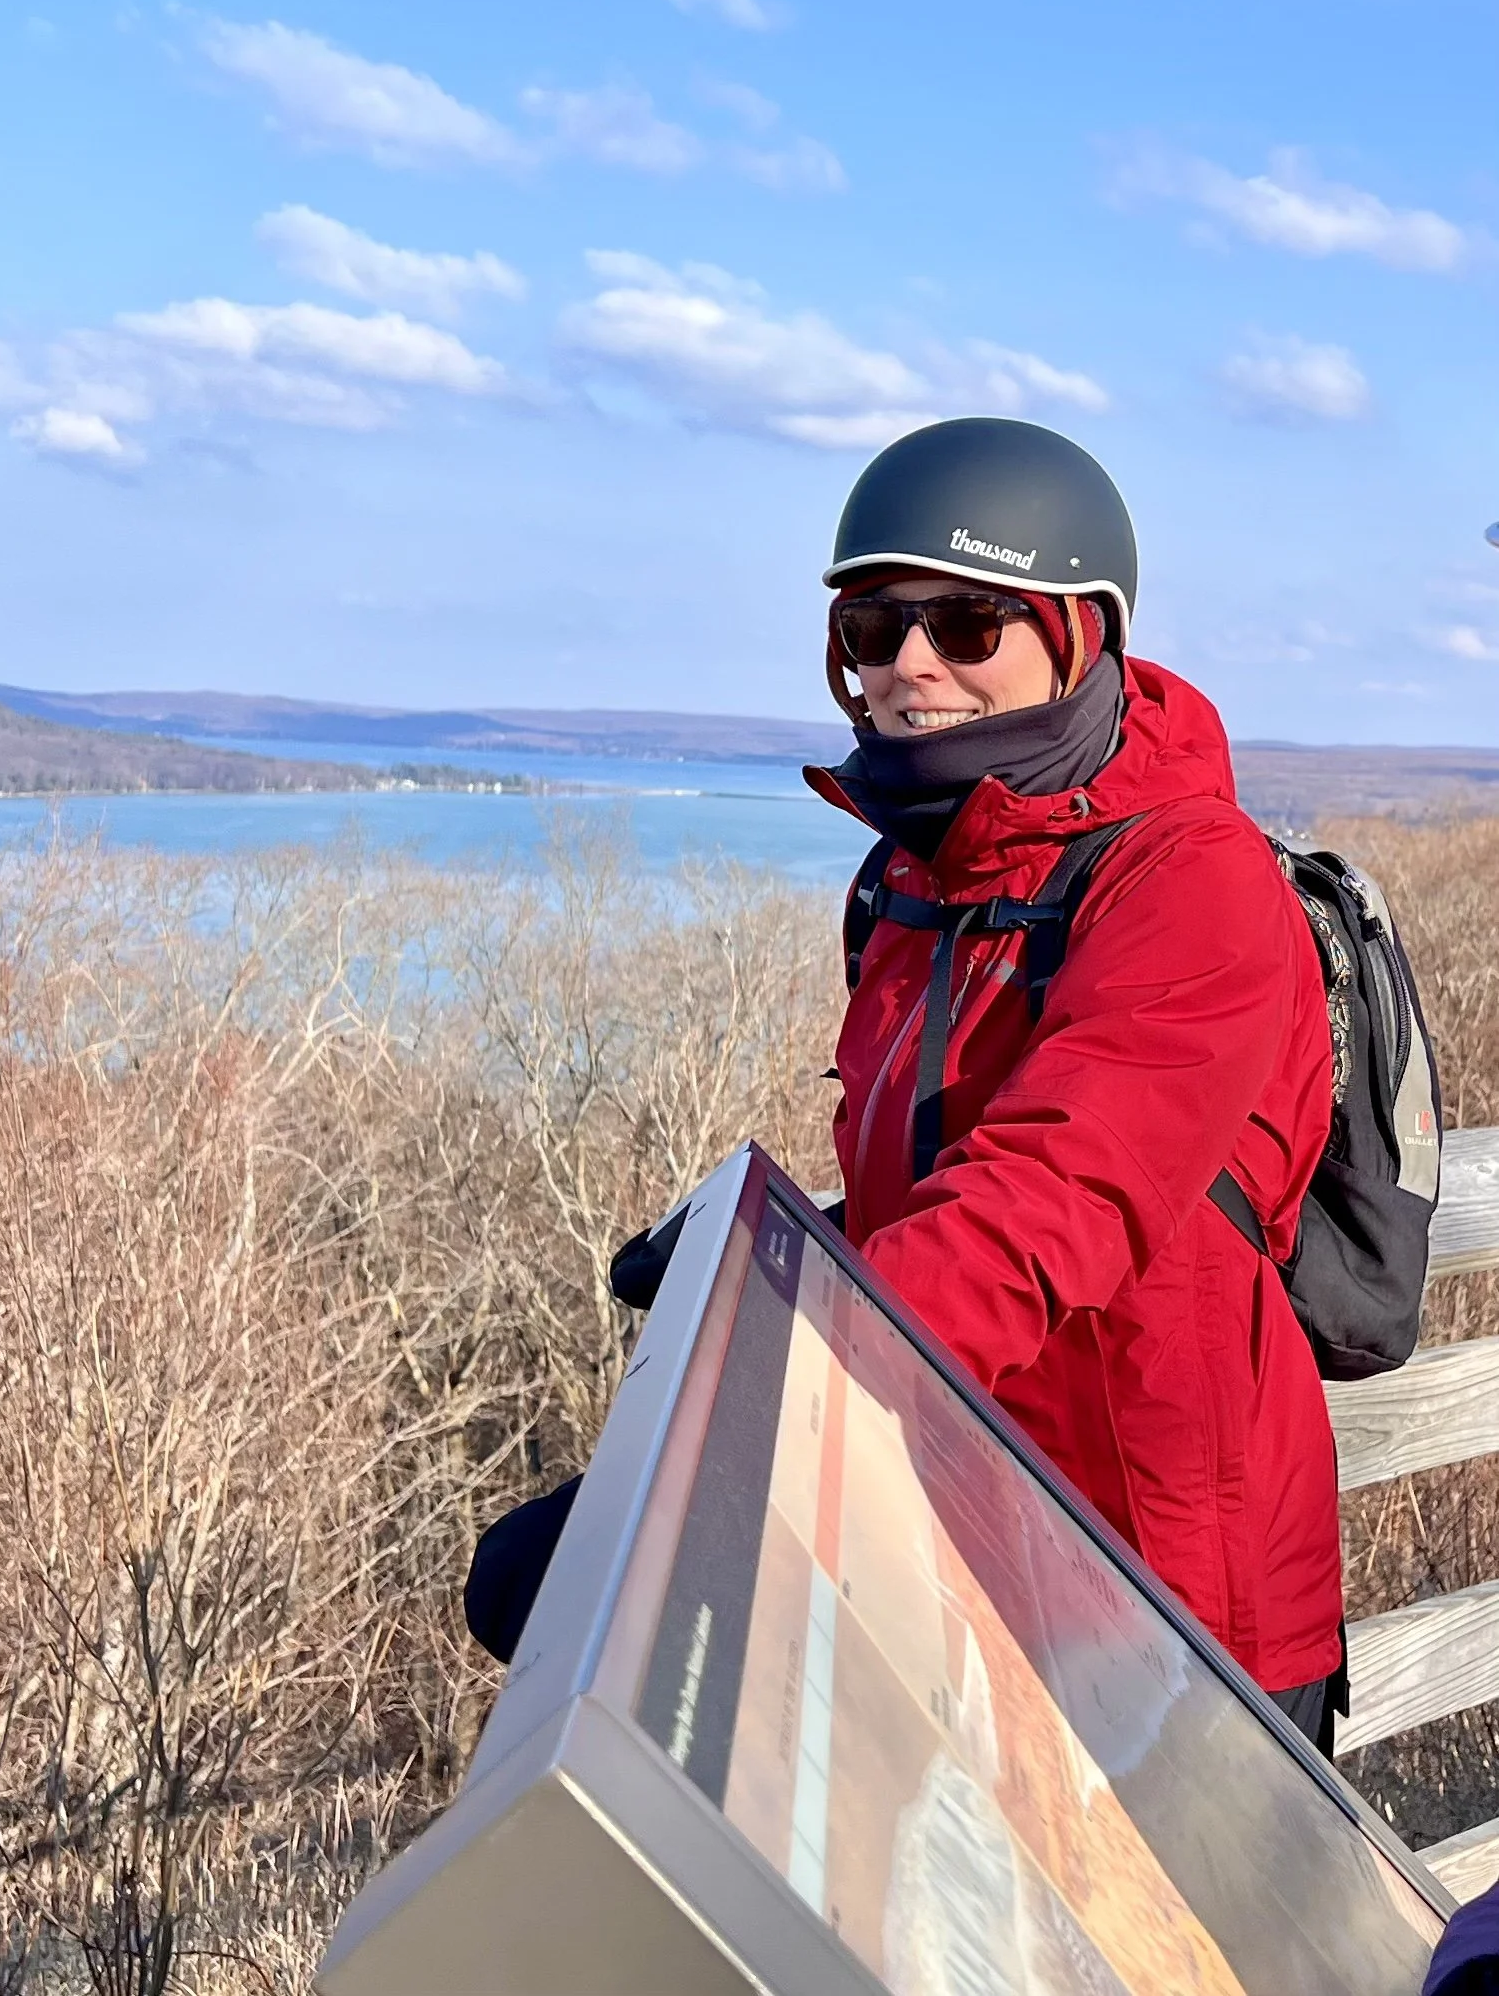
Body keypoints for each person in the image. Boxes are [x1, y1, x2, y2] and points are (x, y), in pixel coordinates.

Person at [469, 416, 1347, 1756]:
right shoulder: (916, 884)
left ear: (1080, 634)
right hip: (971, 1555)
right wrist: (766, 1253)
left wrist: (711, 1463)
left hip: (1172, 1616)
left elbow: (1047, 1202)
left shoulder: (1192, 885)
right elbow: (931, 1184)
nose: (910, 669)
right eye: (875, 629)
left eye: (969, 623)